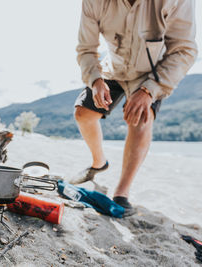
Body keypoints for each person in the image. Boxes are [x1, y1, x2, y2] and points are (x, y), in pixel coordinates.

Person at [72, 0, 198, 215]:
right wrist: (95, 80)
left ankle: (122, 192)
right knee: (83, 113)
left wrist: (149, 90)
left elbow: (184, 50)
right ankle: (99, 162)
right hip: (113, 69)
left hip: (151, 74)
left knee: (140, 118)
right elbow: (86, 49)